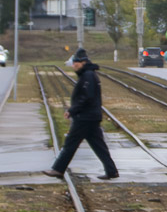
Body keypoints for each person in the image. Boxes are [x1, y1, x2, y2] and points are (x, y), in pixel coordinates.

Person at [43, 49, 119, 180]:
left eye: (75, 63)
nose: (74, 66)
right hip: (91, 117)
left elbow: (86, 97)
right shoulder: (88, 75)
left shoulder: (88, 76)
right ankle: (111, 171)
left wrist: (72, 110)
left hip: (85, 117)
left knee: (70, 144)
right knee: (99, 146)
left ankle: (58, 169)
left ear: (83, 62)